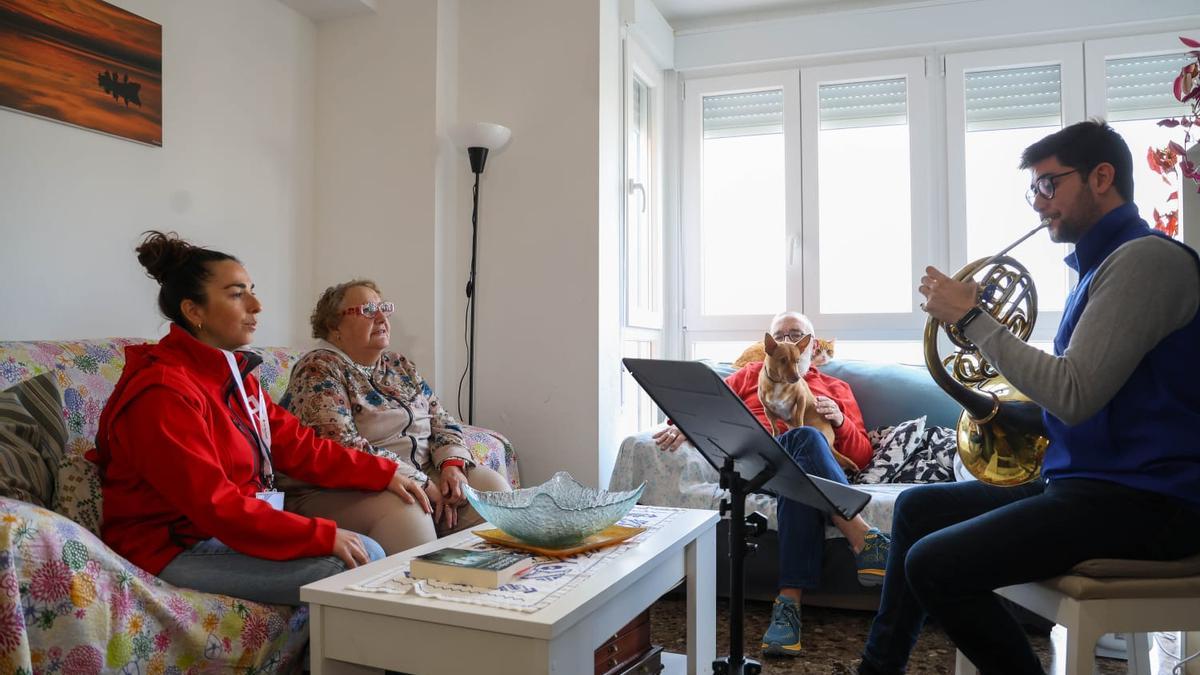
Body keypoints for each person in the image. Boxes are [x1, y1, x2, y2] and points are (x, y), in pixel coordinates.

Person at [857, 119, 1200, 675]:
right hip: (1093, 489)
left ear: (1102, 177)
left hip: (1150, 502)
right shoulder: (1101, 269)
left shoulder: (1146, 261)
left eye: (1049, 185)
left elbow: (1074, 392)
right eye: (1034, 189)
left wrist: (972, 317)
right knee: (917, 509)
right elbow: (1091, 399)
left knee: (935, 566)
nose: (1039, 204)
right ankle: (878, 670)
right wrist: (1003, 412)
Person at [94, 232, 432, 607]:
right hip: (173, 548)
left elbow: (302, 447)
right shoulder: (162, 391)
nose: (257, 305)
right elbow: (214, 504)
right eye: (237, 294)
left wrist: (383, 473)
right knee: (355, 564)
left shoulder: (236, 378)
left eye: (252, 290)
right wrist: (321, 536)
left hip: (222, 530)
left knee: (365, 551)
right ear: (195, 311)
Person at [654, 311, 890, 657]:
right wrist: (678, 425)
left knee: (804, 444)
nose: (788, 341)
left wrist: (839, 420)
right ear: (768, 346)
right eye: (780, 335)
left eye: (797, 335)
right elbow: (704, 407)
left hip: (811, 470)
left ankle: (788, 606)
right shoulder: (749, 376)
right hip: (757, 467)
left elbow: (862, 455)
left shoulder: (836, 388)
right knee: (800, 446)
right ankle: (862, 536)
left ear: (812, 347)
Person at [280, 279, 511, 555]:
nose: (381, 318)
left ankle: (491, 585)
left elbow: (441, 419)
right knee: (410, 513)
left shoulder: (397, 364)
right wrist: (421, 482)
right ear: (334, 326)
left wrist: (451, 466)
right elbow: (340, 445)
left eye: (384, 308)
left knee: (491, 490)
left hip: (416, 474)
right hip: (341, 486)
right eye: (367, 310)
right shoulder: (319, 368)